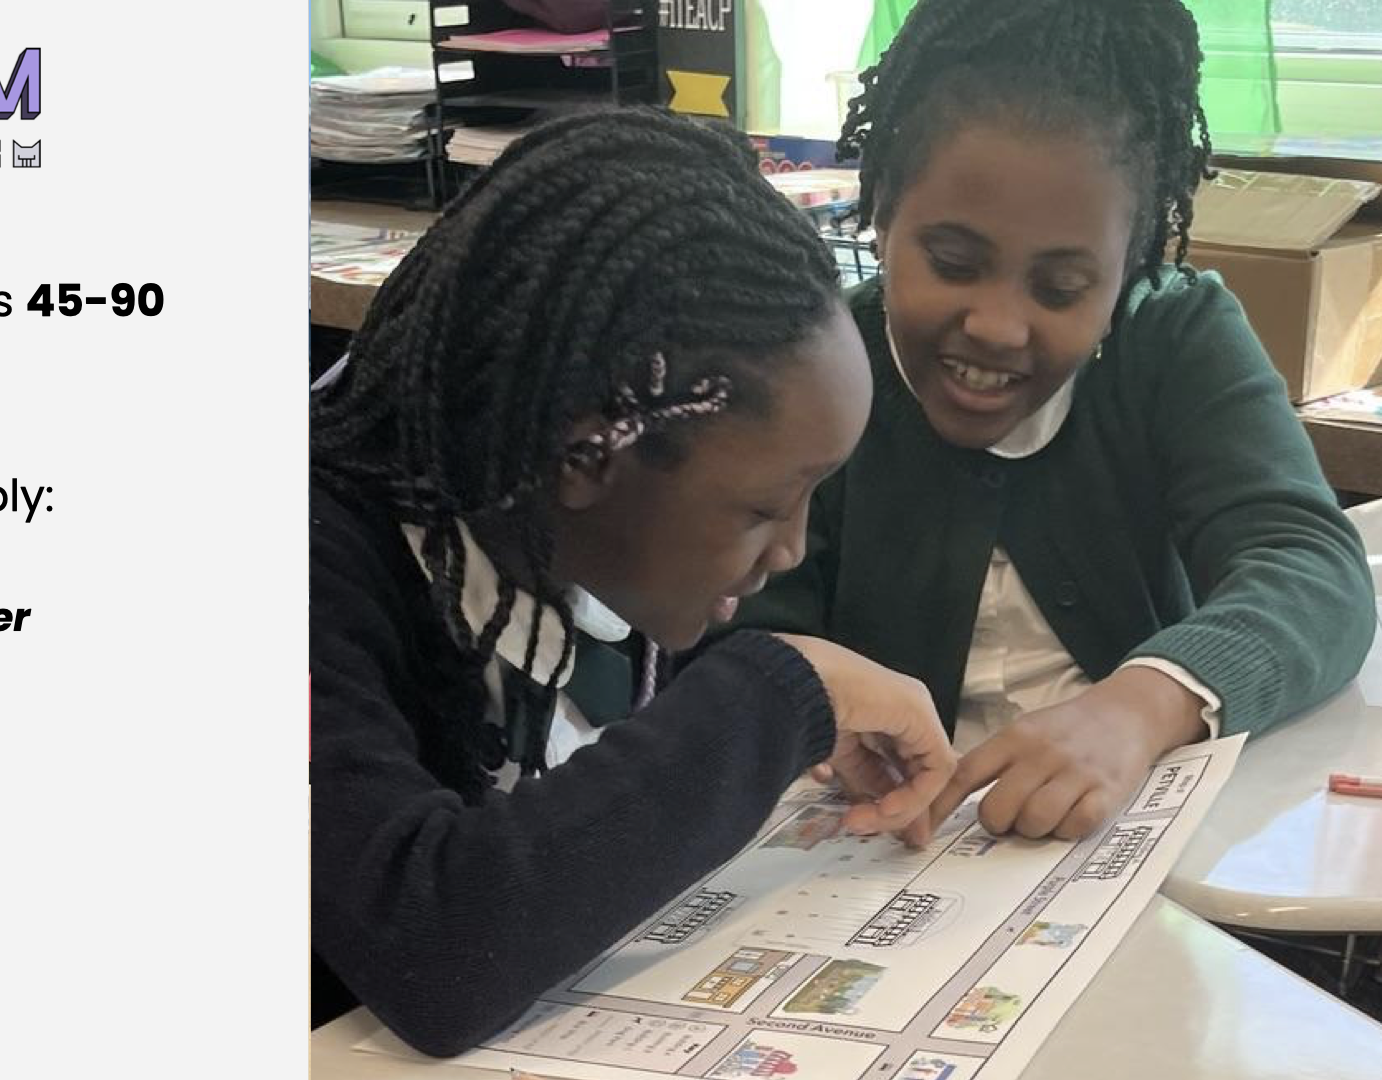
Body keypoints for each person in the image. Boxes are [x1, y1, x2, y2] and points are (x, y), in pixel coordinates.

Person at [310, 108, 956, 1056]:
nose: (791, 549)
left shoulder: (541, 518)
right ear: (584, 458)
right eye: (764, 508)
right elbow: (435, 950)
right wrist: (784, 697)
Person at [726, 0, 1375, 841]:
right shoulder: (818, 370)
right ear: (880, 213)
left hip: (1125, 842)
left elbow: (1311, 568)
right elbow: (741, 627)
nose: (998, 327)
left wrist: (1142, 705)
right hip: (873, 851)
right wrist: (808, 703)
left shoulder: (1174, 337)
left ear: (1129, 267)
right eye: (953, 263)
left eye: (1062, 289)